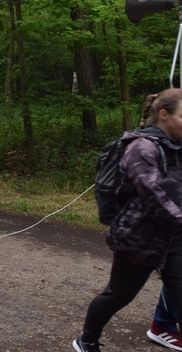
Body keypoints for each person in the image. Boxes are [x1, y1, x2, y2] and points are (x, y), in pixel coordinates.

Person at [73, 89, 182, 352]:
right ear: (164, 115)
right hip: (139, 237)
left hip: (174, 237)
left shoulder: (178, 147)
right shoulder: (141, 147)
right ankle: (86, 340)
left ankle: (162, 328)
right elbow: (152, 194)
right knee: (118, 295)